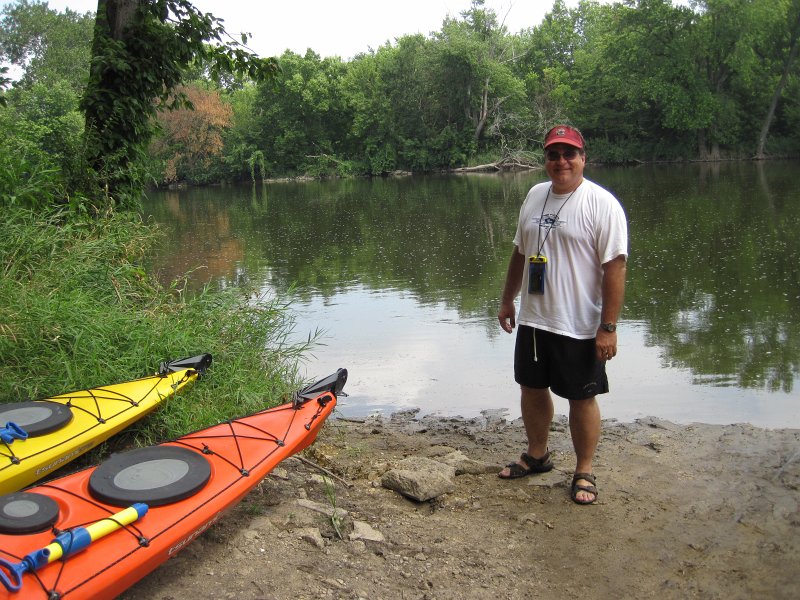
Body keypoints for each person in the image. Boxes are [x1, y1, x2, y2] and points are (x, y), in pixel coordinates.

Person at [496, 124, 628, 505]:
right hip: (536, 318)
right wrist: (508, 300)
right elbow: (521, 251)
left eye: (569, 154)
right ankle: (537, 455)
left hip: (580, 324)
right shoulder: (535, 195)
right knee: (531, 388)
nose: (561, 161)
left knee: (581, 397)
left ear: (583, 158)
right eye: (553, 154)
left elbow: (615, 268)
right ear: (546, 160)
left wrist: (608, 327)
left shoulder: (602, 204)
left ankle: (584, 469)